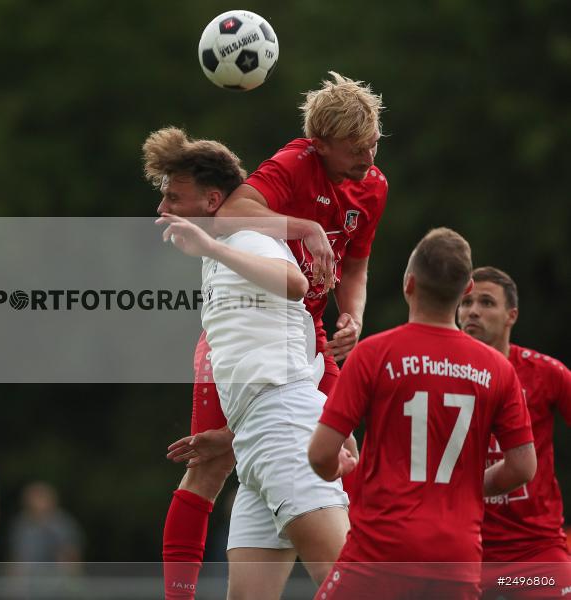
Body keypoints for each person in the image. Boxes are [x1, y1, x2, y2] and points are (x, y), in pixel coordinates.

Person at [157, 70, 387, 600]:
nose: (369, 157)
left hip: (286, 374)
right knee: (217, 466)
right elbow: (240, 220)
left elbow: (337, 273)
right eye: (356, 148)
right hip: (271, 381)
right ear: (319, 143)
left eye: (373, 144)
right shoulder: (282, 179)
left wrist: (351, 317)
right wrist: (301, 227)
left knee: (343, 461)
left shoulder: (239, 242)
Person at [308, 228, 537, 599]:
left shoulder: (373, 354)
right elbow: (523, 467)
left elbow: (319, 454)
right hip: (457, 560)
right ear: (464, 292)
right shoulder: (497, 368)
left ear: (409, 284)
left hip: (379, 555)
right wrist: (466, 487)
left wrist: (335, 468)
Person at [457, 266, 571, 598]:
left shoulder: (546, 373)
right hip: (460, 544)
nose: (473, 310)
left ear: (512, 315)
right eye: (466, 302)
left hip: (533, 552)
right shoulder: (438, 372)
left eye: (487, 302)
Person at [7, 482, 83, 600]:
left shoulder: (62, 525)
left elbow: (70, 558)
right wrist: (14, 587)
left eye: (39, 498)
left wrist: (69, 586)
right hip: (28, 586)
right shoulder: (21, 525)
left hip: (55, 586)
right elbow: (17, 559)